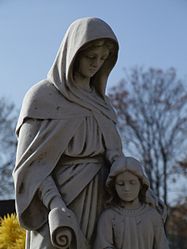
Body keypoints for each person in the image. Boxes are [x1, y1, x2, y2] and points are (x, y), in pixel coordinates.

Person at [13, 17, 126, 249]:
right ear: (73, 52)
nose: (96, 64)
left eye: (103, 58)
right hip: (54, 203)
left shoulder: (103, 106)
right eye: (91, 57)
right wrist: (55, 205)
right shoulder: (42, 97)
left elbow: (116, 156)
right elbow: (31, 167)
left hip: (100, 204)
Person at [93, 157, 170, 249]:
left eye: (132, 183)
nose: (126, 188)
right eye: (121, 184)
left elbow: (162, 246)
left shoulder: (153, 216)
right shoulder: (108, 217)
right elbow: (103, 246)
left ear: (141, 184)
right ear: (113, 186)